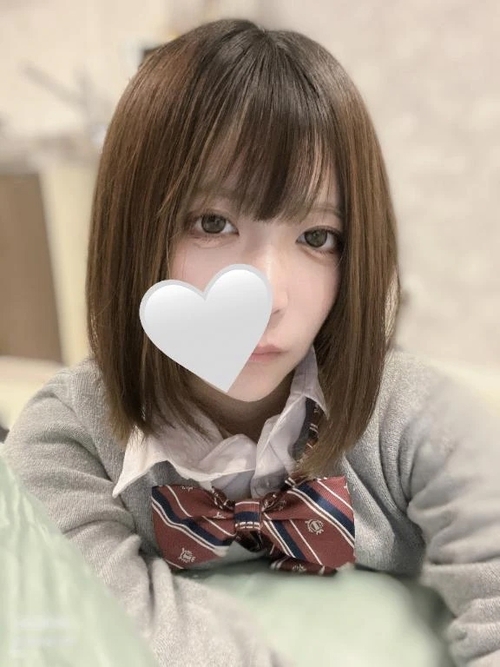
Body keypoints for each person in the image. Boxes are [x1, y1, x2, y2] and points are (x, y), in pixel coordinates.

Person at [3, 18, 500, 667]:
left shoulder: (418, 421)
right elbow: (102, 639)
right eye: (212, 223)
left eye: (317, 237)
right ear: (132, 230)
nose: (266, 296)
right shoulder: (67, 439)